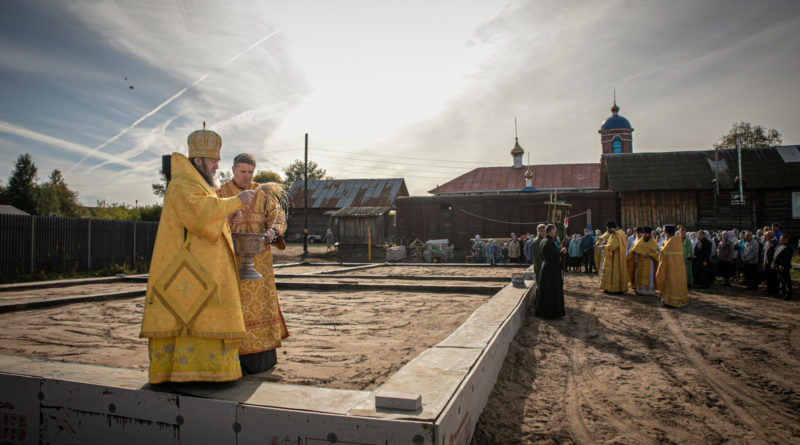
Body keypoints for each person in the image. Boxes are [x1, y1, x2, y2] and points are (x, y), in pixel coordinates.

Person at [141, 126, 256, 384]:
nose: (217, 165)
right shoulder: (181, 184)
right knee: (189, 316)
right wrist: (237, 201)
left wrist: (226, 216)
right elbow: (198, 214)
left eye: (218, 160)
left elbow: (205, 221)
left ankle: (211, 371)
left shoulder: (199, 185)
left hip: (205, 268)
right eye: (213, 160)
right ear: (198, 160)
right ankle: (188, 373)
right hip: (188, 272)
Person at [218, 153, 289, 374]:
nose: (247, 176)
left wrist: (272, 232)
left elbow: (279, 216)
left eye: (250, 172)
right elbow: (212, 219)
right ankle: (233, 357)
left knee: (260, 305)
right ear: (233, 170)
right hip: (231, 259)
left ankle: (261, 357)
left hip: (260, 261)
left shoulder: (263, 192)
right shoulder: (221, 193)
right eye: (243, 172)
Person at [534, 224, 566, 319]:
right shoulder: (549, 242)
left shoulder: (544, 241)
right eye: (555, 230)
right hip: (551, 270)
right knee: (551, 292)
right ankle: (551, 313)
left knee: (546, 291)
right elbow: (554, 257)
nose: (556, 232)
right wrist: (562, 253)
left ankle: (545, 312)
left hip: (547, 268)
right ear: (551, 231)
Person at [656, 225, 689, 307]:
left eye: (664, 231)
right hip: (678, 268)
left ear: (667, 232)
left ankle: (670, 301)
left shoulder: (670, 243)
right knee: (678, 284)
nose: (663, 232)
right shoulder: (677, 240)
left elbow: (664, 255)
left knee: (670, 284)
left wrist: (659, 253)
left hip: (670, 269)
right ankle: (680, 298)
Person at [627, 227, 659, 296]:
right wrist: (635, 260)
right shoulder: (639, 242)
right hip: (640, 262)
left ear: (649, 235)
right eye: (644, 233)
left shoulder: (653, 243)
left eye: (646, 234)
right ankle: (639, 289)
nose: (645, 235)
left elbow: (657, 254)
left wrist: (650, 255)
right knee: (639, 276)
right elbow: (633, 251)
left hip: (650, 263)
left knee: (649, 277)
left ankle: (649, 291)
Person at [599, 220, 629, 293]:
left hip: (615, 258)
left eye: (608, 228)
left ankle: (614, 289)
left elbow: (612, 246)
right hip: (620, 256)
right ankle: (620, 288)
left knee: (614, 273)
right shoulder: (621, 232)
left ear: (611, 228)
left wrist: (604, 247)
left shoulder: (616, 235)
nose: (607, 230)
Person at [772, 234, 793, 300]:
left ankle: (788, 295)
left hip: (784, 266)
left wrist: (782, 265)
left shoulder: (789, 247)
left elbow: (786, 258)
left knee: (786, 281)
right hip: (778, 266)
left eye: (782, 239)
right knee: (780, 280)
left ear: (786, 239)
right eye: (780, 238)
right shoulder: (781, 246)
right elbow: (776, 255)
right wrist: (774, 263)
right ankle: (782, 293)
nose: (780, 240)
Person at [762, 231, 779, 295]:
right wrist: (764, 261)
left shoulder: (775, 243)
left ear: (771, 235)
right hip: (767, 262)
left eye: (766, 235)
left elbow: (776, 254)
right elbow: (765, 253)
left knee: (773, 277)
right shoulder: (767, 242)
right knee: (768, 277)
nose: (765, 237)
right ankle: (769, 289)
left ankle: (774, 291)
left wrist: (774, 263)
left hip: (772, 263)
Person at [531, 224, 546, 292]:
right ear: (538, 231)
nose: (543, 232)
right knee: (539, 287)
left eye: (544, 231)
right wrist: (541, 269)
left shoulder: (543, 240)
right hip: (540, 268)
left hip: (544, 267)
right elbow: (536, 258)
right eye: (541, 231)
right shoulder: (537, 242)